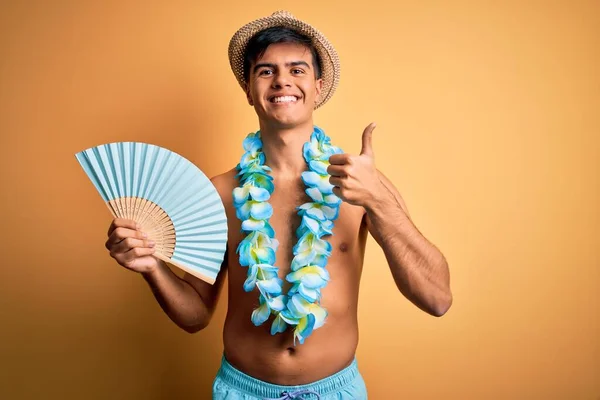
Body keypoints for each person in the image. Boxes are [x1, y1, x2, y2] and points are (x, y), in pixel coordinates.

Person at [104, 10, 452, 399]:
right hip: (242, 390)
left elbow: (437, 299)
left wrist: (378, 202)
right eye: (266, 71)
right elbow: (195, 315)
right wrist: (151, 267)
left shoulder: (361, 184)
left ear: (318, 87)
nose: (282, 80)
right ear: (249, 90)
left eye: (297, 70)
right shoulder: (219, 194)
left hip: (336, 390)